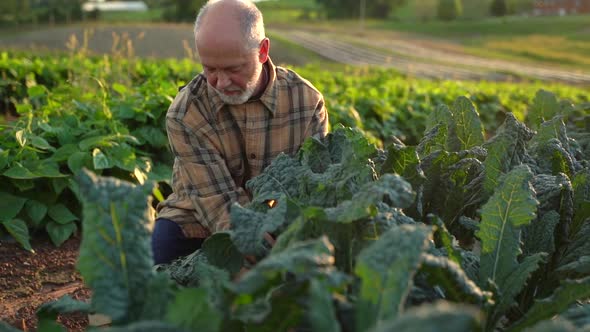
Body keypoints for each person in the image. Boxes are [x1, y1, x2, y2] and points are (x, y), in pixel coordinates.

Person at [152, 0, 329, 265]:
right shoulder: (186, 112)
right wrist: (249, 242)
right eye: (209, 69)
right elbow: (215, 200)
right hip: (200, 213)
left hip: (278, 215)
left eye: (234, 69)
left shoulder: (306, 103)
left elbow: (314, 186)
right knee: (161, 254)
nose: (221, 83)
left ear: (262, 51)